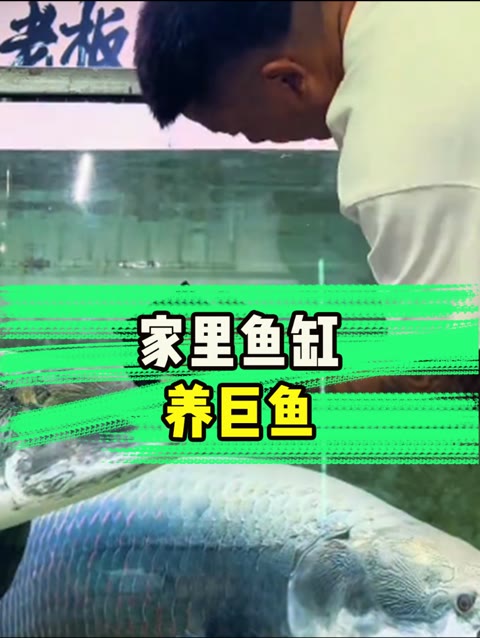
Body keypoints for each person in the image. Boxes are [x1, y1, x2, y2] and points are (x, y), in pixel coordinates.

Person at [134, 1, 479, 393]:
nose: (258, 140)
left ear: (289, 80)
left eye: (246, 131)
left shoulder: (402, 149)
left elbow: (446, 386)